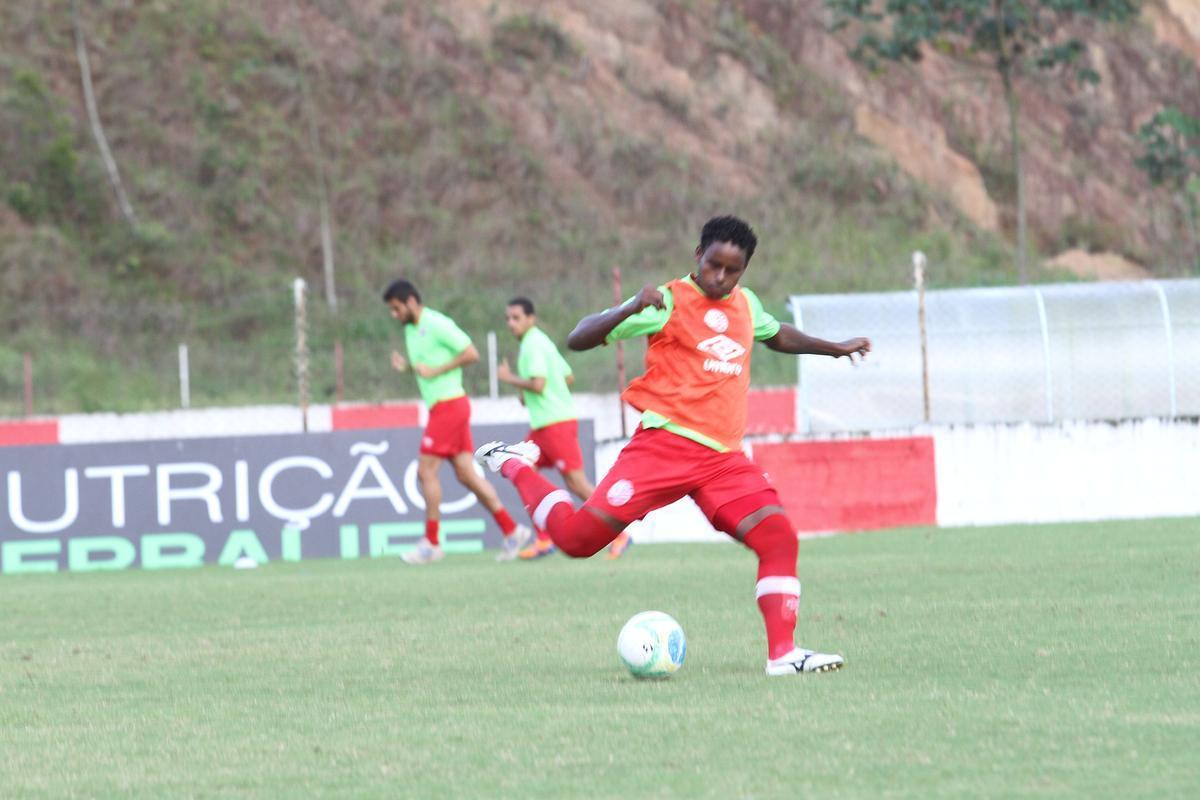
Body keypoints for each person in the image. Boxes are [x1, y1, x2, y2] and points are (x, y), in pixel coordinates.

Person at [476, 216, 870, 675]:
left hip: (722, 460)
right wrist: (628, 309)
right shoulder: (665, 301)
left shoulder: (746, 305)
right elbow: (578, 337)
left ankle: (783, 655)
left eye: (732, 270)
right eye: (713, 265)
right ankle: (516, 465)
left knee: (778, 537)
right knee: (577, 541)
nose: (720, 278)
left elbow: (774, 332)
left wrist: (835, 349)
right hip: (662, 450)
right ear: (697, 255)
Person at [382, 279, 531, 564]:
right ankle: (512, 532)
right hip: (447, 407)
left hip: (448, 407)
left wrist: (437, 369)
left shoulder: (436, 323)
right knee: (466, 474)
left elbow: (471, 353)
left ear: (411, 302)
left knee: (425, 472)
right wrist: (410, 367)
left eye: (396, 308)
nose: (394, 314)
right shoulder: (412, 331)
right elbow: (427, 366)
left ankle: (432, 543)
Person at [496, 297, 631, 560]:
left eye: (516, 318)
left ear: (530, 319)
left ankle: (621, 534)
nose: (511, 323)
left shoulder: (533, 344)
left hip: (555, 424)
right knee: (521, 469)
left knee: (577, 483)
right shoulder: (539, 342)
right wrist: (535, 395)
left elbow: (538, 384)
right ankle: (545, 538)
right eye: (508, 319)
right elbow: (566, 376)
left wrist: (509, 378)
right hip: (544, 425)